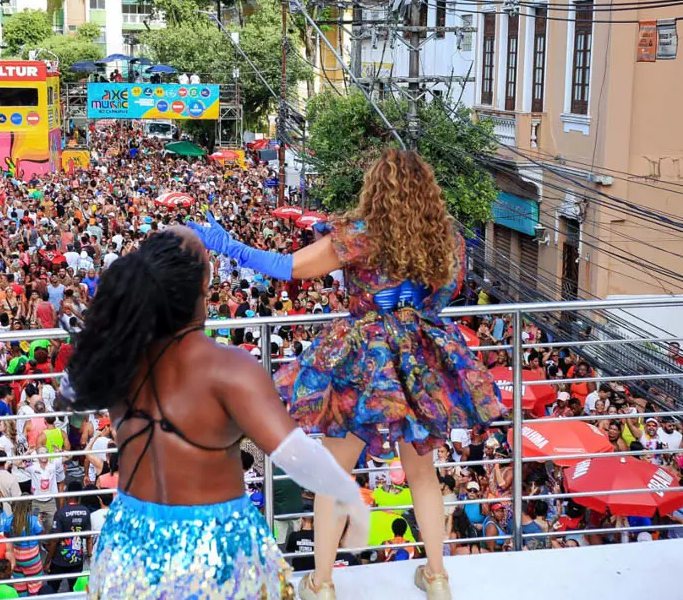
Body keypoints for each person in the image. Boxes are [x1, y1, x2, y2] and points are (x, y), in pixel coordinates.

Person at [193, 148, 503, 600]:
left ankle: (321, 583)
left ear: (375, 188)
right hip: (419, 356)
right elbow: (445, 293)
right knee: (423, 473)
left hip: (365, 360)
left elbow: (289, 268)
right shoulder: (446, 237)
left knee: (335, 474)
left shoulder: (360, 235)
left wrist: (226, 244)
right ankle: (436, 577)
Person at [64, 228, 366, 599]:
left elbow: (75, 428)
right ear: (206, 282)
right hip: (218, 553)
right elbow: (296, 456)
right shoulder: (230, 368)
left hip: (129, 548)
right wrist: (350, 498)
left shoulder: (114, 357)